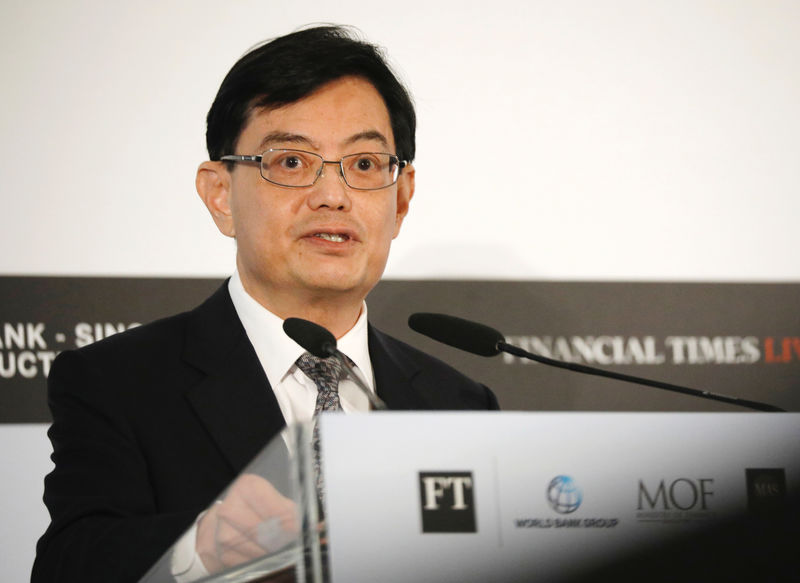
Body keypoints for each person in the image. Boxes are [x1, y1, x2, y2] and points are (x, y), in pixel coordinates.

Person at [32, 25, 498, 583]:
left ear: (400, 201)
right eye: (292, 163)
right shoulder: (117, 381)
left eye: (366, 165)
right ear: (220, 195)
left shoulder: (459, 404)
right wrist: (203, 548)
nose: (333, 195)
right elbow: (69, 563)